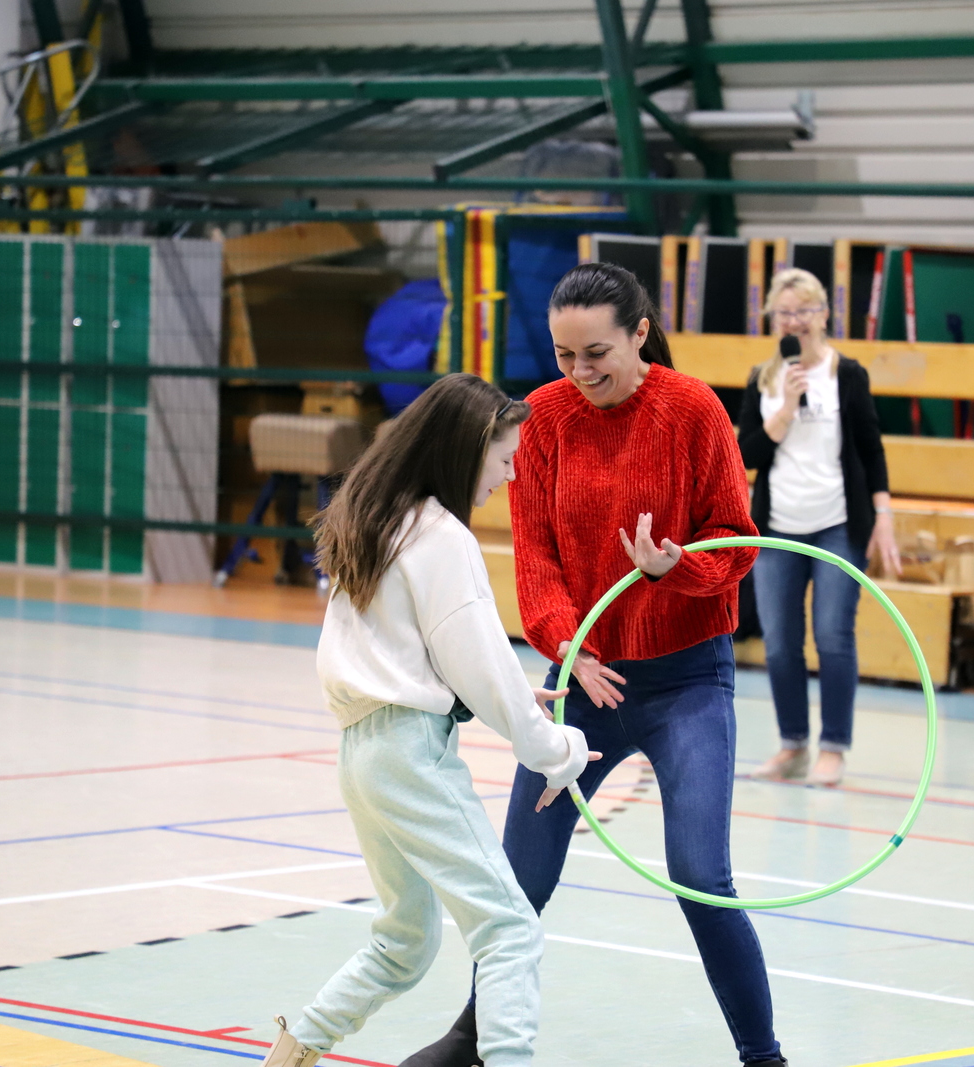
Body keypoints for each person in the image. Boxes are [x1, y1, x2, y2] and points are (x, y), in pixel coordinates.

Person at [404, 263, 788, 1067]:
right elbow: (534, 559)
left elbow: (739, 540)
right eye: (563, 354)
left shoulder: (694, 410)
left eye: (597, 353)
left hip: (688, 681)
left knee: (700, 876)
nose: (579, 373)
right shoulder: (539, 420)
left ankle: (764, 1058)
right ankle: (471, 1039)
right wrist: (569, 649)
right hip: (585, 687)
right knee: (518, 884)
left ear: (641, 332)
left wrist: (674, 566)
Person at [263, 374, 596, 1067]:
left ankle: (292, 1054)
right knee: (509, 930)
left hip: (364, 755)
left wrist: (489, 696)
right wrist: (556, 746)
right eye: (504, 457)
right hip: (409, 754)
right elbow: (481, 661)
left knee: (404, 940)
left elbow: (420, 655)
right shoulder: (442, 535)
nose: (509, 474)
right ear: (467, 449)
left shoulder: (380, 518)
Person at [738, 268, 900, 787]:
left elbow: (871, 449)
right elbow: (746, 455)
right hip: (777, 528)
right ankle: (793, 746)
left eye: (804, 311)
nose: (795, 321)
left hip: (837, 524)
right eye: (785, 313)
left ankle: (834, 746)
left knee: (833, 634)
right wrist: (785, 407)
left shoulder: (846, 374)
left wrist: (885, 517)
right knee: (781, 643)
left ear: (823, 315)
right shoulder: (761, 379)